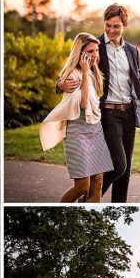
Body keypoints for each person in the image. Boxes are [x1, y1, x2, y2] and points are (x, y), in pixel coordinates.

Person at [58, 4, 140, 202]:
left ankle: (115, 205)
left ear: (125, 25)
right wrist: (60, 85)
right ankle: (89, 198)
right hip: (107, 114)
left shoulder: (132, 51)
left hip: (129, 114)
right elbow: (70, 67)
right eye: (108, 26)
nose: (112, 31)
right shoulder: (94, 47)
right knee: (118, 166)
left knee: (126, 171)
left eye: (116, 26)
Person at [39, 33, 115, 202]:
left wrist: (89, 72)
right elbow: (83, 103)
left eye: (96, 50)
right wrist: (84, 75)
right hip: (77, 132)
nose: (95, 55)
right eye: (90, 51)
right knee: (82, 187)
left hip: (96, 130)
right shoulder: (73, 75)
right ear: (80, 53)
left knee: (98, 183)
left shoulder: (95, 72)